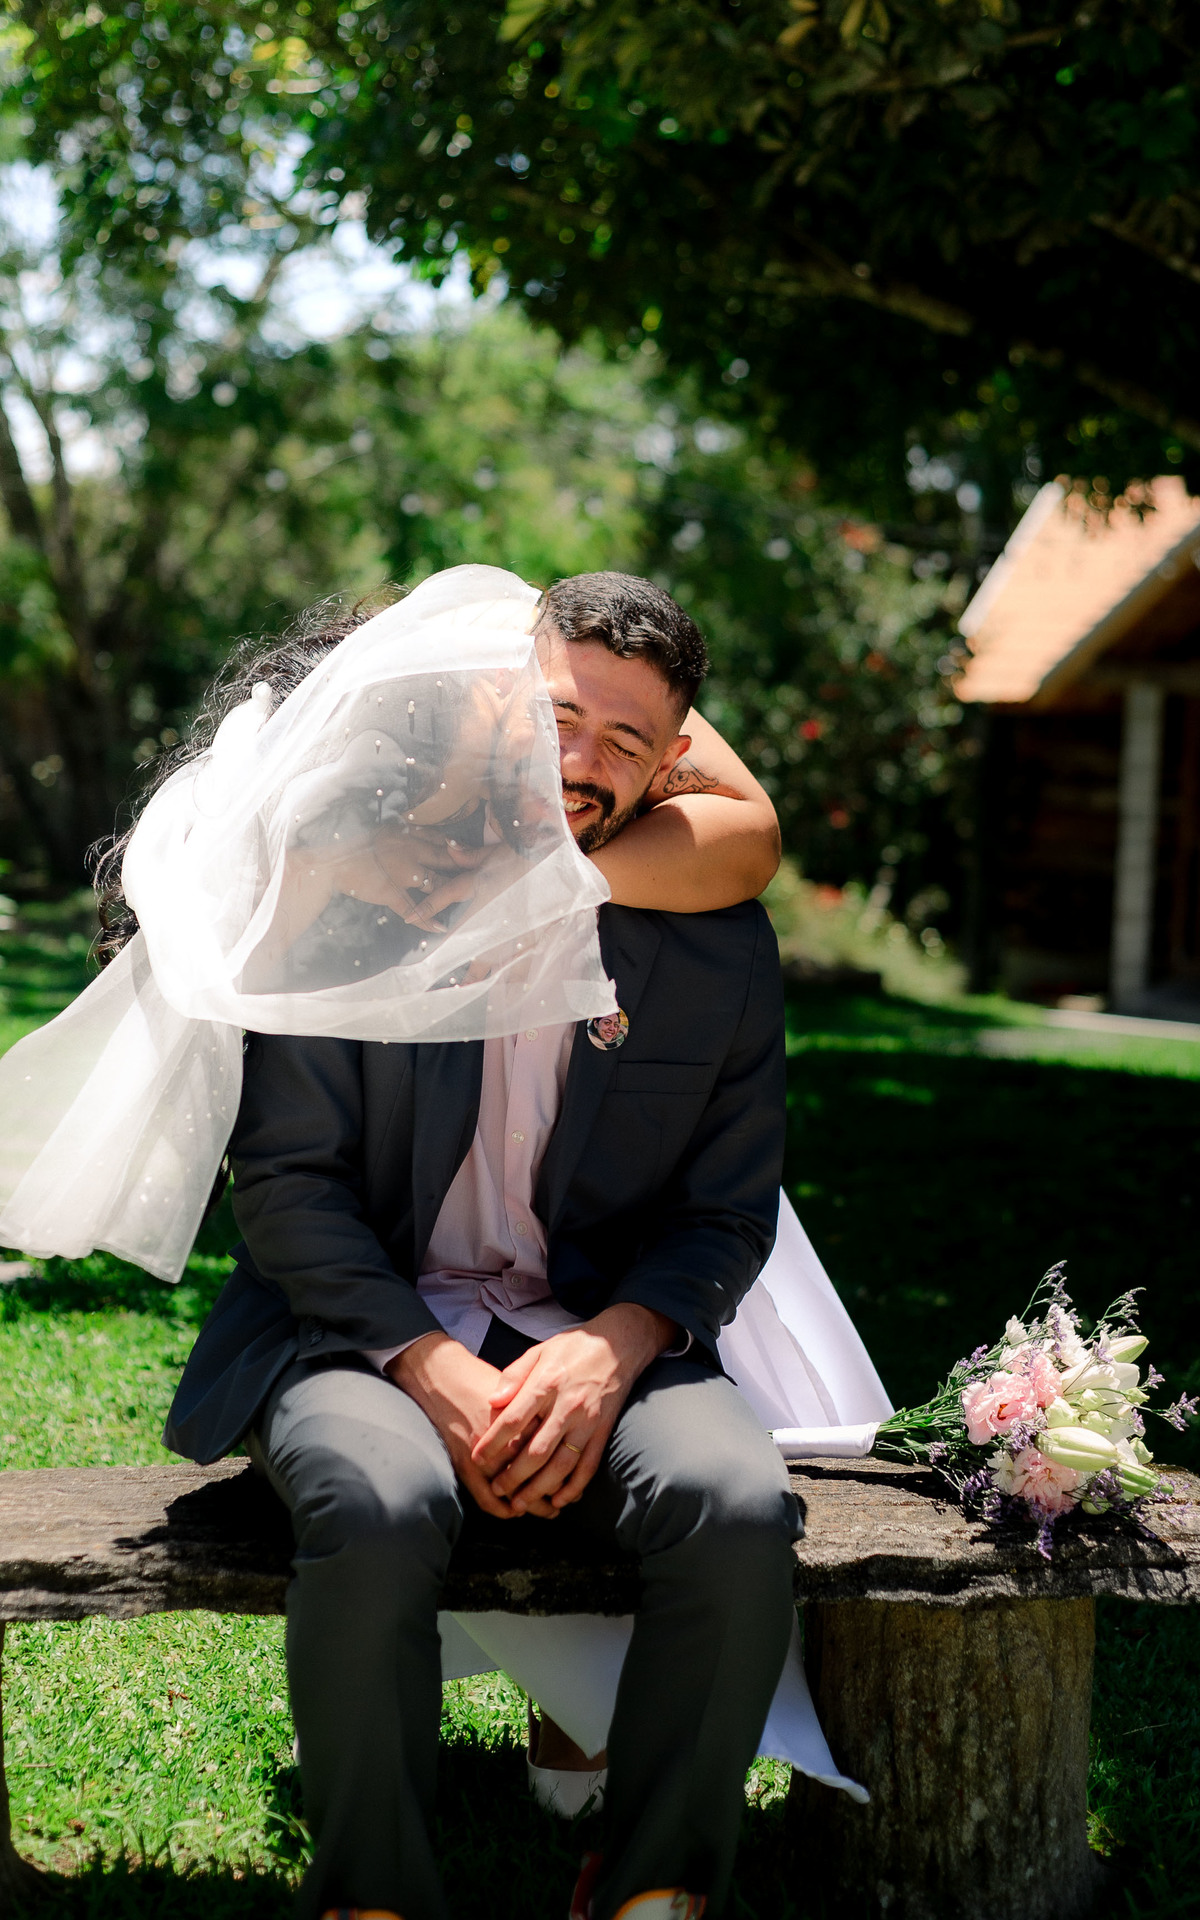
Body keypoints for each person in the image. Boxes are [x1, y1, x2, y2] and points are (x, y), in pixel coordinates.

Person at [162, 569, 800, 1920]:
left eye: (625, 740)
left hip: (593, 1325)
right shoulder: (359, 894)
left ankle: (653, 1889)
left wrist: (618, 1346)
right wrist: (422, 1360)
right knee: (379, 1499)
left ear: (673, 764)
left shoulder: (719, 950)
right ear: (504, 705)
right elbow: (288, 1188)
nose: (582, 760)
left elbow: (727, 1210)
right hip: (353, 1330)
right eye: (560, 718)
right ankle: (375, 1897)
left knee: (737, 1503)